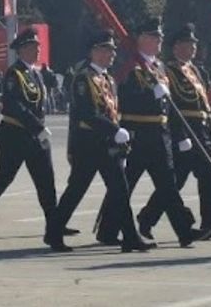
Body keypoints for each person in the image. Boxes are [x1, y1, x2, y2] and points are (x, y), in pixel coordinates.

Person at [93, 19, 211, 248]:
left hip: (160, 134)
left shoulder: (158, 68)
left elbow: (170, 107)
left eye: (160, 37)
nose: (159, 41)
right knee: (125, 186)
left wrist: (180, 135)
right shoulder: (130, 67)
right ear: (142, 39)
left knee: (168, 184)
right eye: (154, 37)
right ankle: (107, 230)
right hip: (138, 134)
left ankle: (184, 232)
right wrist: (150, 95)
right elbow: (124, 99)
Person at [45, 31, 152, 253]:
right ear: (94, 52)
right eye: (106, 49)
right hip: (88, 144)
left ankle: (130, 237)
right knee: (76, 190)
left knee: (120, 190)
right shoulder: (83, 79)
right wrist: (115, 131)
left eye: (112, 50)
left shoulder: (108, 79)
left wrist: (119, 138)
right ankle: (54, 232)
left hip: (108, 144)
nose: (112, 54)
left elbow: (112, 111)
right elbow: (87, 113)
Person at [138, 24, 211, 241]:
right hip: (185, 130)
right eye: (187, 45)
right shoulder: (168, 71)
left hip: (202, 130)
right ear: (176, 47)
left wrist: (209, 131)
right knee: (175, 181)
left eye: (194, 45)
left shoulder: (197, 71)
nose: (192, 49)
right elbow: (172, 106)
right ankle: (147, 218)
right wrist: (180, 136)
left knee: (208, 179)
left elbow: (203, 104)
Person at [0, 28, 63, 238]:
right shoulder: (15, 74)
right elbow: (14, 106)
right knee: (4, 178)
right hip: (15, 136)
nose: (37, 50)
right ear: (22, 50)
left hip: (35, 136)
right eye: (33, 47)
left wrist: (38, 127)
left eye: (38, 47)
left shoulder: (36, 73)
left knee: (46, 181)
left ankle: (55, 223)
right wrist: (37, 126)